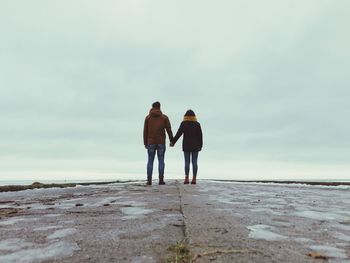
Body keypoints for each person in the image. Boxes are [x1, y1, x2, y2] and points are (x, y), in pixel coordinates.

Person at [143, 101, 174, 185]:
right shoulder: (164, 118)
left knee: (150, 161)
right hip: (161, 142)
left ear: (152, 107)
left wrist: (145, 143)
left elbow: (145, 131)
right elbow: (169, 130)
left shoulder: (148, 118)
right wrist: (172, 140)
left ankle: (149, 180)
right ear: (160, 107)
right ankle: (161, 180)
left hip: (151, 142)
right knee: (161, 160)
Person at [171, 110, 203, 184]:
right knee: (194, 162)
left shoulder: (184, 124)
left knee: (187, 162)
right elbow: (200, 136)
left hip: (186, 145)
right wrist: (200, 145)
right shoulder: (197, 124)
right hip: (195, 145)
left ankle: (186, 178)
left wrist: (173, 141)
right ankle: (194, 178)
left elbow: (179, 133)